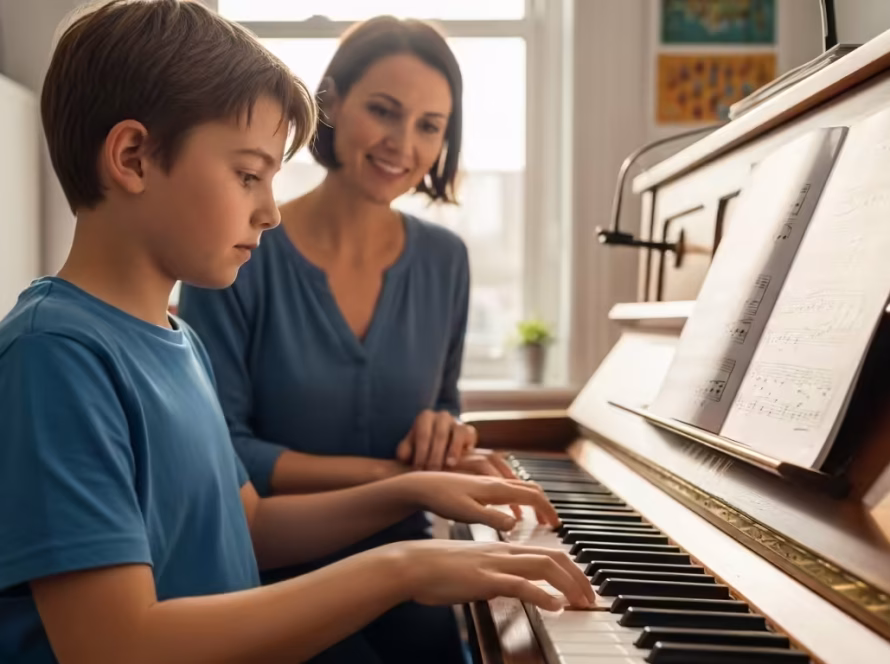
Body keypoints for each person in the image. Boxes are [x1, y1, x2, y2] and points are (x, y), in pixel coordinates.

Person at [0, 3, 595, 664]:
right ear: (134, 157)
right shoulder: (55, 356)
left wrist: (411, 489)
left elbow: (249, 526)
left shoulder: (175, 339)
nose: (271, 210)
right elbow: (116, 645)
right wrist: (398, 569)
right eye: (249, 175)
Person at [177, 17, 517, 661]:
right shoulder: (233, 250)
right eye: (383, 111)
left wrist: (443, 433)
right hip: (274, 572)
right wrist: (402, 477)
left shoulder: (447, 261)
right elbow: (226, 455)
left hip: (410, 562)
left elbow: (443, 405)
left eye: (429, 126)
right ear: (329, 106)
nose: (403, 144)